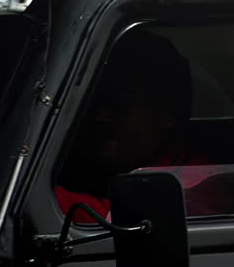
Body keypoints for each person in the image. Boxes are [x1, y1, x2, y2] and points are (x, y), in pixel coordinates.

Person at [56, 28, 207, 223]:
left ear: (165, 113)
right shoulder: (102, 163)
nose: (101, 115)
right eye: (96, 101)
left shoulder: (196, 181)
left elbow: (114, 223)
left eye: (120, 103)